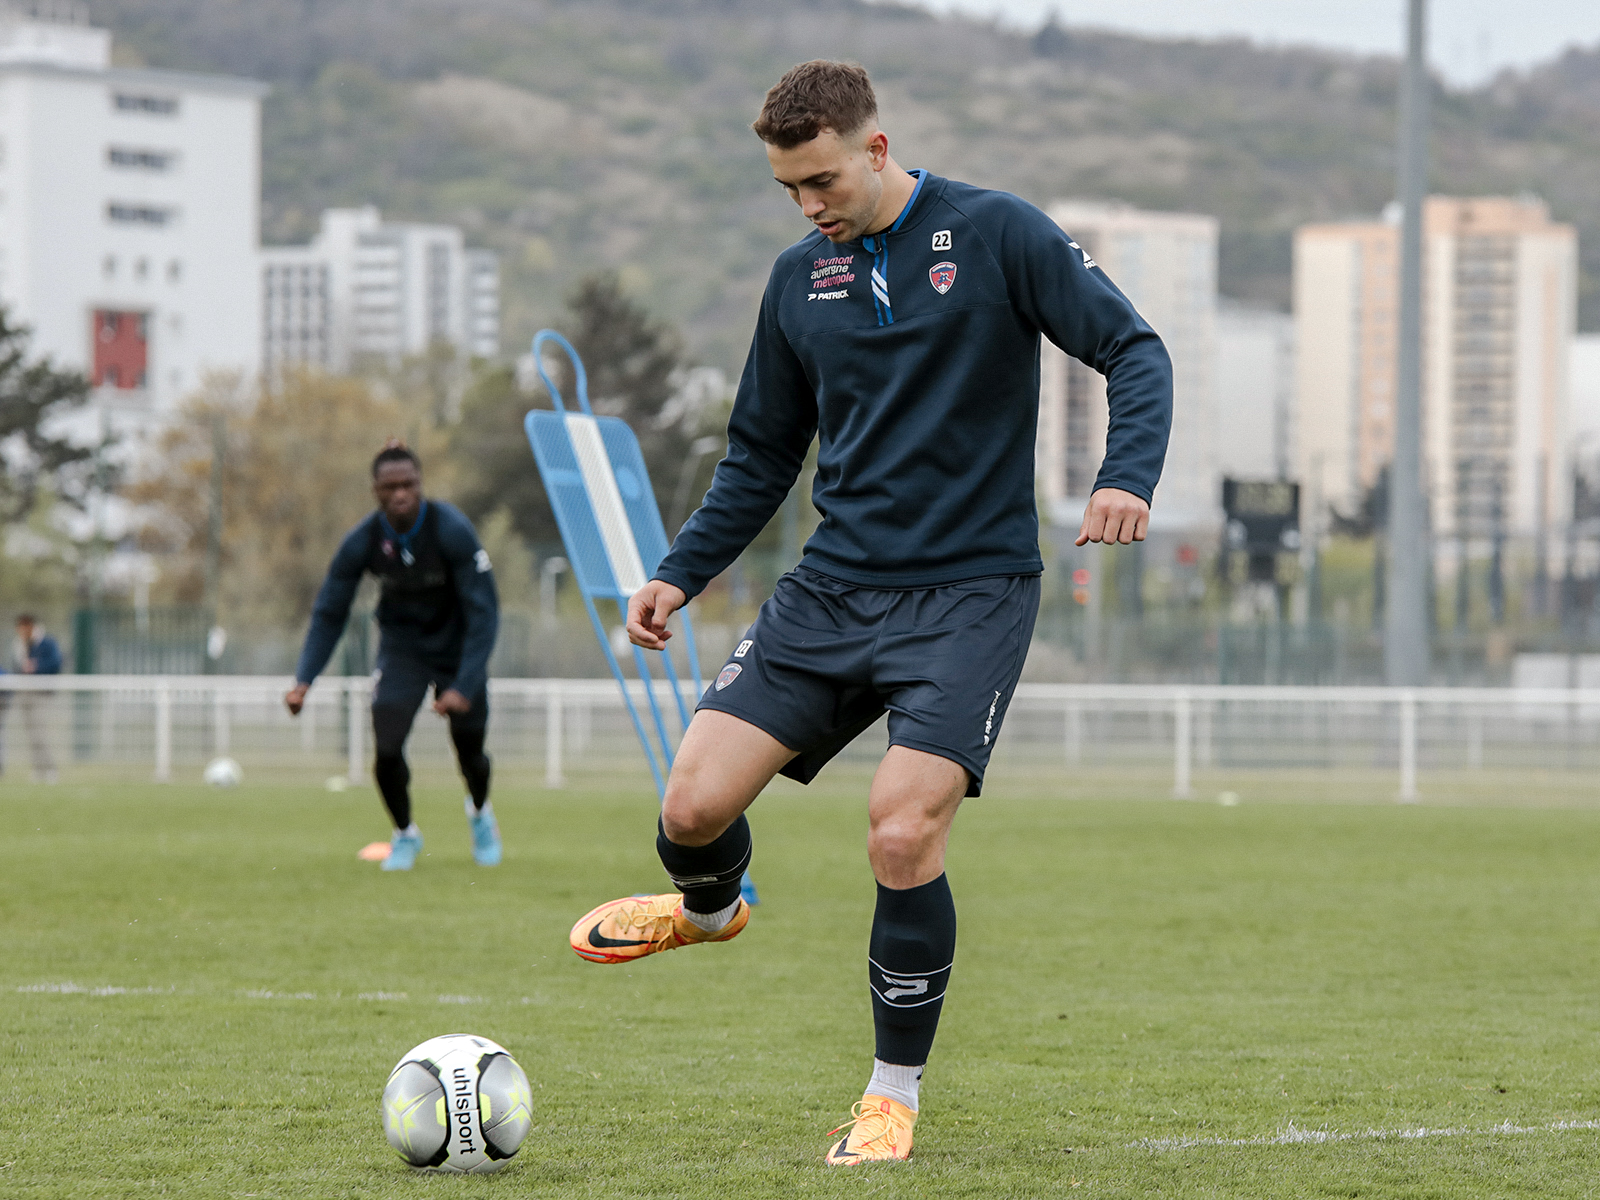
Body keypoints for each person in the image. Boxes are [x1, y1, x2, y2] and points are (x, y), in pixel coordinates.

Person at [568, 60, 1172, 1164]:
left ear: (876, 149)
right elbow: (760, 454)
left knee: (900, 829)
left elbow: (1133, 348)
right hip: (832, 592)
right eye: (789, 189)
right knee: (691, 809)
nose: (809, 205)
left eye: (822, 179)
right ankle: (707, 911)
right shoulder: (799, 282)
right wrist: (679, 569)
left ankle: (890, 1094)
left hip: (970, 595)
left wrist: (1124, 474)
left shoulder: (998, 235)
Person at [285, 443, 501, 870]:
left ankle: (480, 813)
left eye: (409, 484)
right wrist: (304, 679)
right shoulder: (364, 540)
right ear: (376, 491)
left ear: (419, 485)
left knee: (470, 750)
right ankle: (405, 834)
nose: (400, 493)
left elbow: (485, 613)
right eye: (390, 487)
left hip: (458, 649)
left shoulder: (451, 529)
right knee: (385, 745)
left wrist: (464, 683)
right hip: (403, 649)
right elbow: (330, 610)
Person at [7, 614, 62, 783]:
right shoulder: (18, 644)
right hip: (24, 692)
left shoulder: (47, 643)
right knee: (31, 734)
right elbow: (16, 666)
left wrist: (36, 666)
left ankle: (50, 769)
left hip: (41, 693)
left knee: (40, 733)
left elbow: (56, 662)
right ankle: (38, 769)